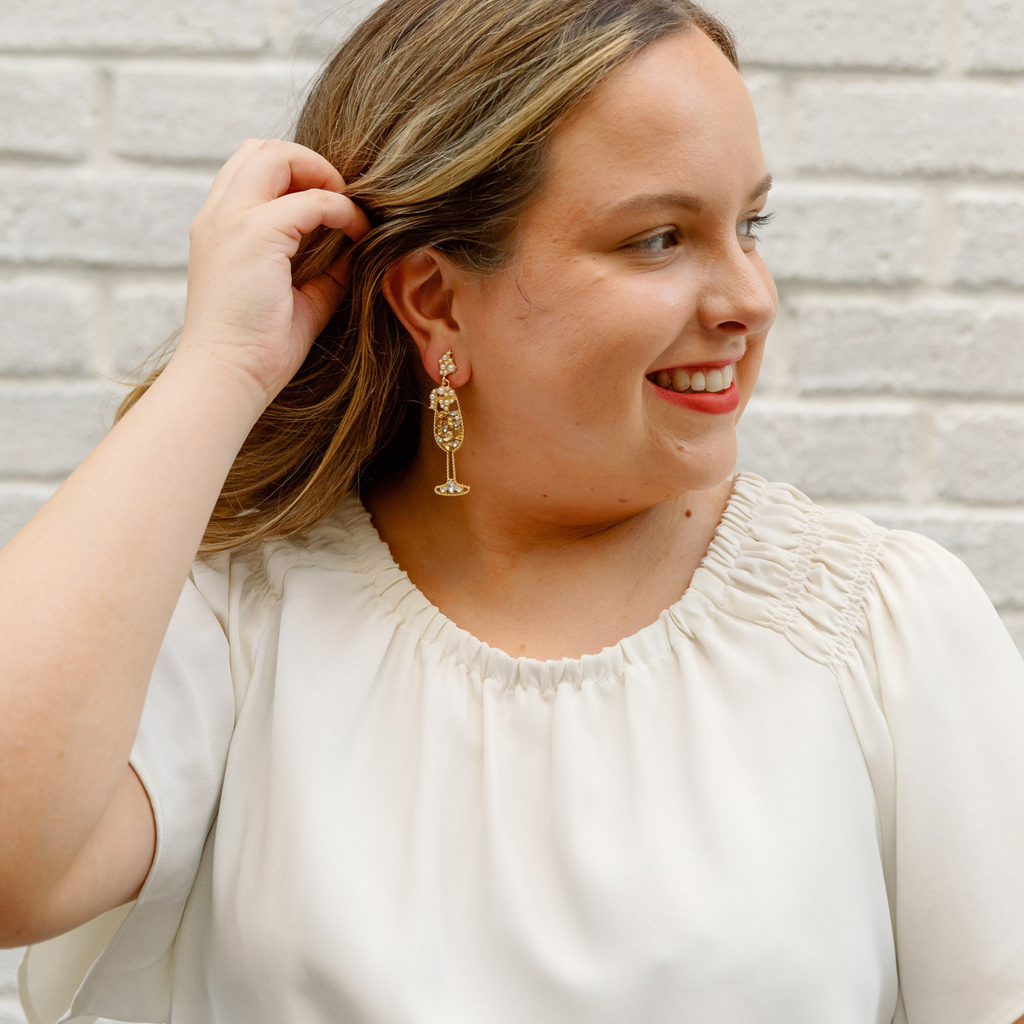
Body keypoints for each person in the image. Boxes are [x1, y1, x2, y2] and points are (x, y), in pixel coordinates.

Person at [1, 0, 1023, 1021]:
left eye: (749, 224)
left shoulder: (878, 628)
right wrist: (224, 363)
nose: (749, 299)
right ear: (436, 301)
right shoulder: (240, 621)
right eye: (658, 238)